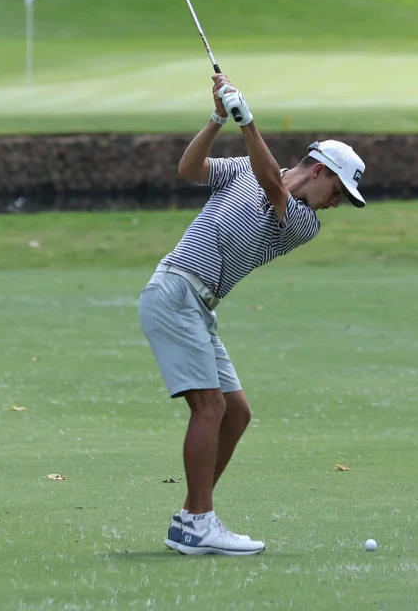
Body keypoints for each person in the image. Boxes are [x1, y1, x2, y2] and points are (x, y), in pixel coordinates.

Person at [137, 73, 366, 556]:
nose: (337, 203)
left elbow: (274, 188)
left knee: (235, 412)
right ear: (320, 170)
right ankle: (199, 522)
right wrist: (218, 118)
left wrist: (248, 121)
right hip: (177, 289)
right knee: (211, 407)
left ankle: (191, 517)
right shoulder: (245, 167)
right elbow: (189, 169)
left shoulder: (304, 222)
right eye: (339, 191)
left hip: (197, 306)